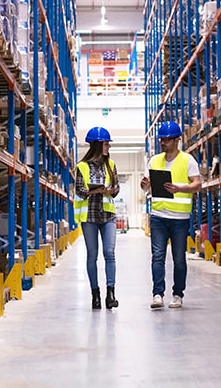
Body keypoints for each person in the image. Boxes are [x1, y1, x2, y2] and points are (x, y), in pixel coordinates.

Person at [139, 121, 202, 309]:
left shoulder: (188, 160)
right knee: (157, 256)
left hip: (179, 219)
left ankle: (178, 294)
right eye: (161, 140)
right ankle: (157, 294)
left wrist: (179, 188)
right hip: (158, 215)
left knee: (179, 258)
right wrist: (144, 185)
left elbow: (197, 184)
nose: (163, 143)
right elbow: (146, 186)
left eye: (166, 140)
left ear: (177, 140)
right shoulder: (154, 160)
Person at [75, 127, 121, 310]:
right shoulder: (82, 167)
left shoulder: (111, 165)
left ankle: (111, 294)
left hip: (108, 215)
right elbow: (80, 190)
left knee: (109, 253)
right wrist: (96, 190)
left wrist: (110, 191)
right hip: (90, 216)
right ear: (96, 145)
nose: (108, 146)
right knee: (92, 256)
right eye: (105, 143)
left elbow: (116, 188)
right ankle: (95, 294)